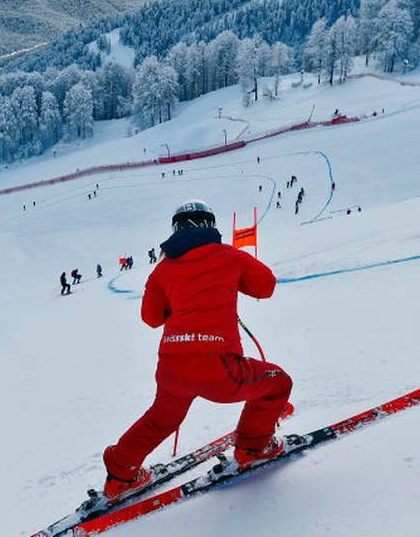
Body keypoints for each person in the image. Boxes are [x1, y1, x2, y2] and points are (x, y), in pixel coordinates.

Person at [100, 200, 290, 501]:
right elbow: (265, 286)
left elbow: (151, 319)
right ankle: (253, 447)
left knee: (162, 419)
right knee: (277, 383)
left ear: (176, 228)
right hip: (221, 368)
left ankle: (121, 475)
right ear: (211, 225)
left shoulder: (163, 269)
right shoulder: (230, 256)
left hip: (173, 368)